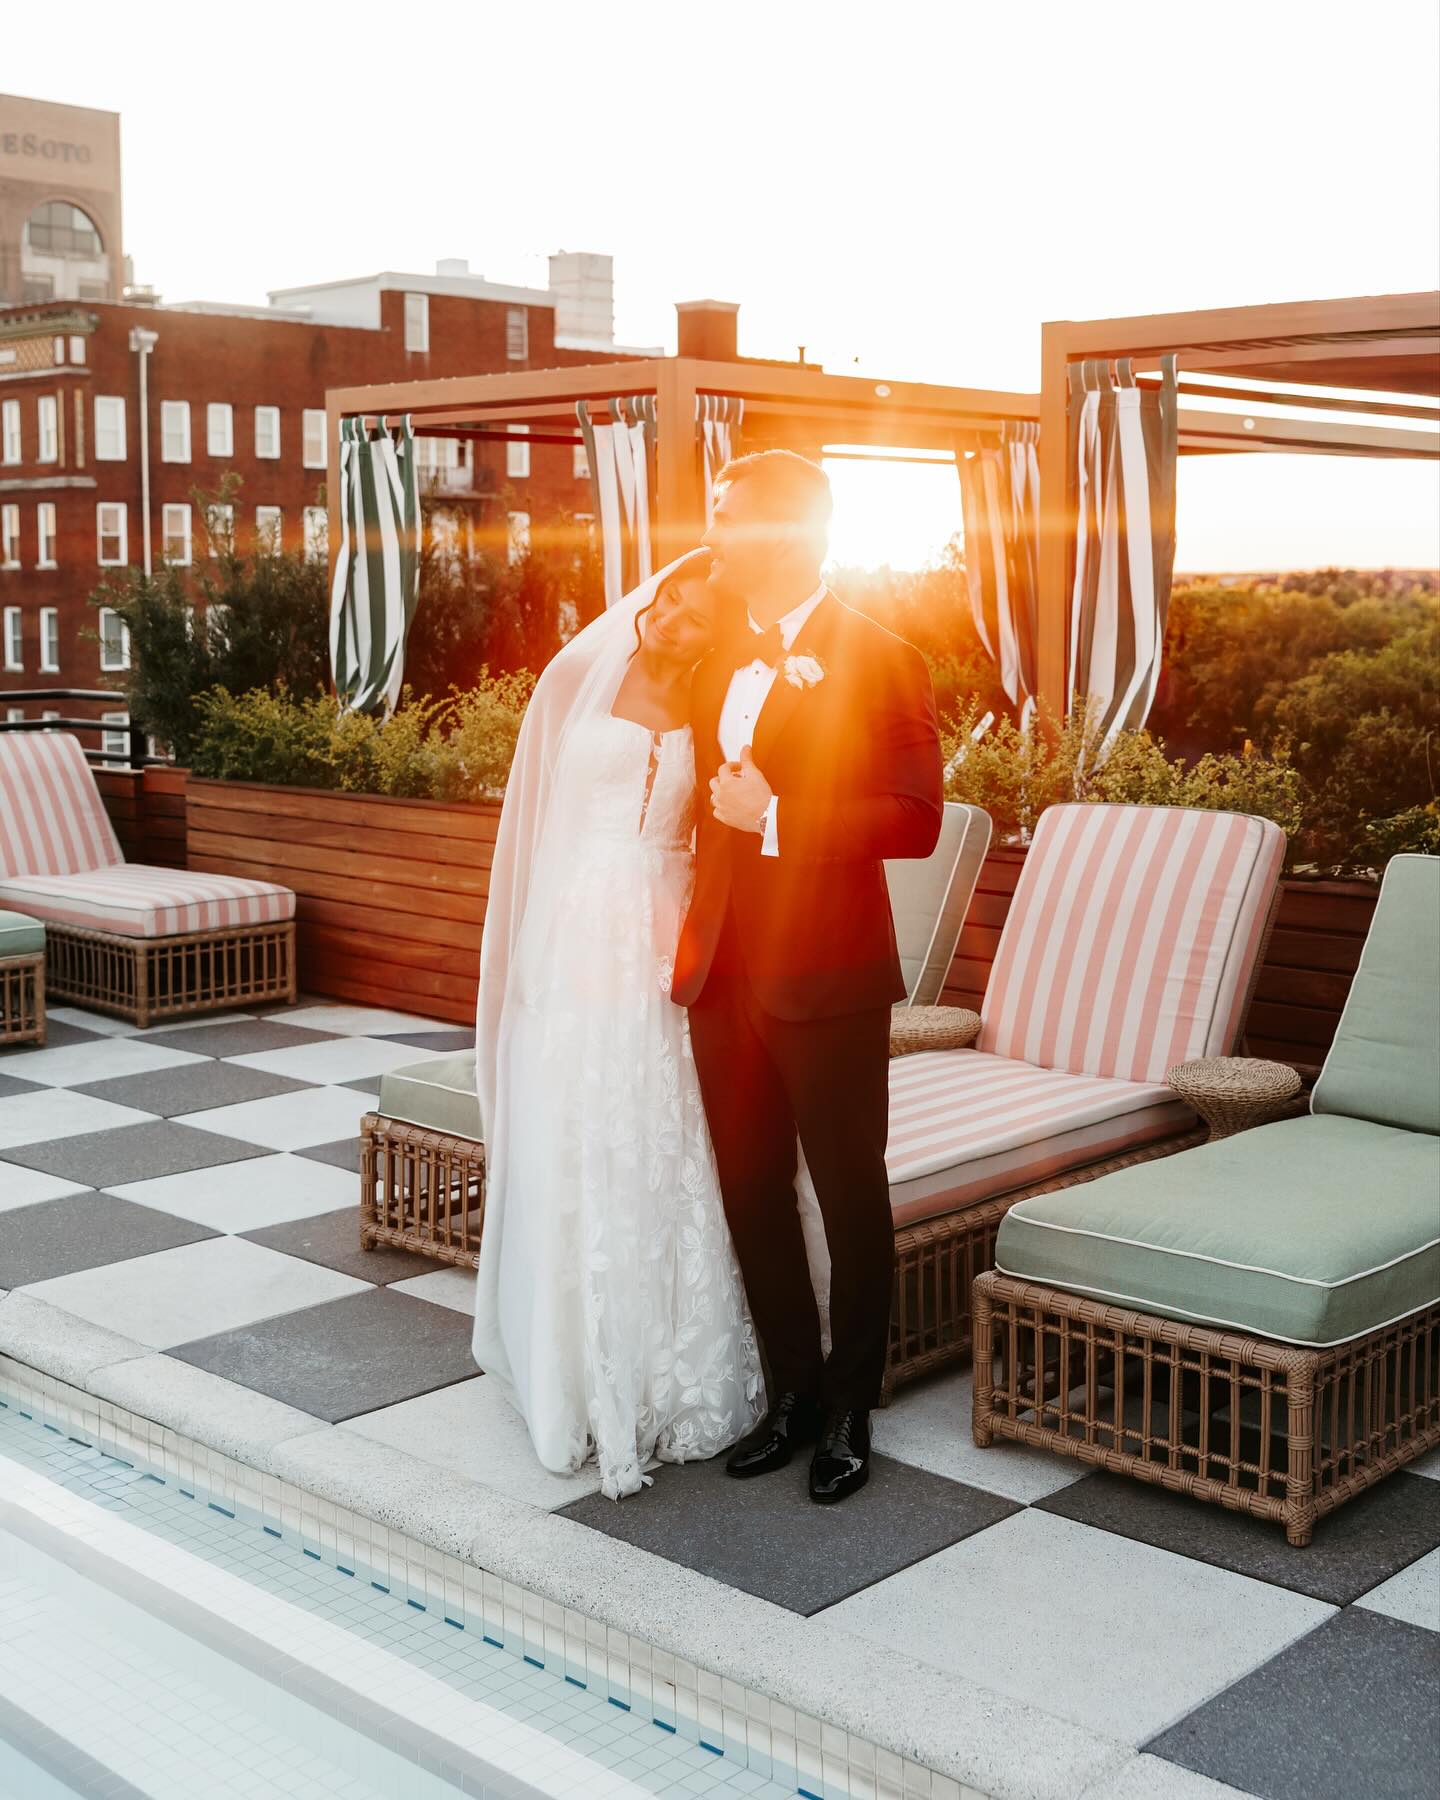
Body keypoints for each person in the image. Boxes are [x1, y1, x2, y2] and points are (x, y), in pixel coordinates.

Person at [673, 451, 944, 1504]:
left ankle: (847, 1407)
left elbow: (915, 819)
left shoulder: (884, 656)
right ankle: (789, 1392)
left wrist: (779, 820)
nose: (715, 532)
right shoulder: (713, 658)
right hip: (723, 973)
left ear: (786, 536)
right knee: (749, 1190)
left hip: (828, 974)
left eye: (728, 517)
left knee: (847, 1192)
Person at [472, 548, 765, 1501]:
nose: (668, 619)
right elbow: (533, 824)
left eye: (692, 614)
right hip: (580, 929)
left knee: (661, 1138)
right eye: (666, 599)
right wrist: (534, 951)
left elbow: (710, 832)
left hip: (664, 930)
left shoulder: (716, 701)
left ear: (716, 631)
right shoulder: (574, 678)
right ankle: (577, 1369)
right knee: (585, 1133)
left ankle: (665, 1365)